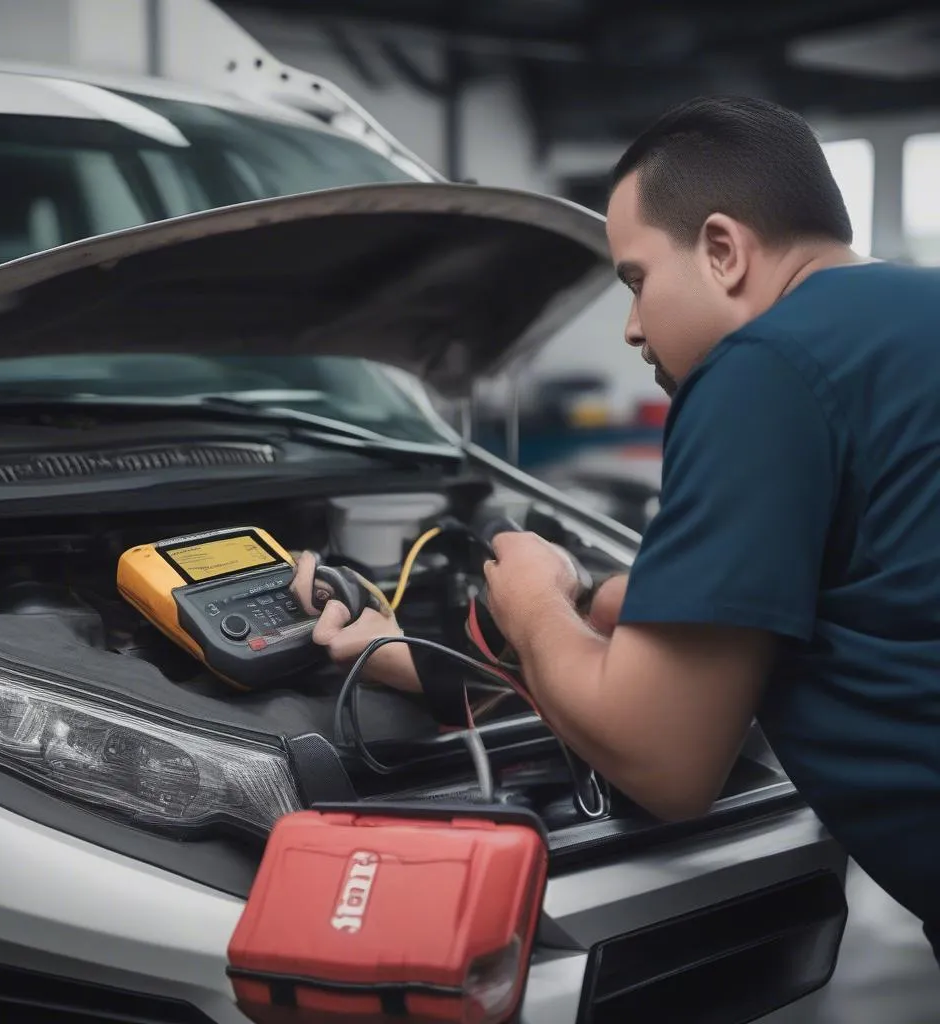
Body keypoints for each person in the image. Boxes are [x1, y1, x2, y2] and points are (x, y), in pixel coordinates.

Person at [291, 95, 940, 963]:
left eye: (636, 280)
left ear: (722, 249)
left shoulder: (762, 369)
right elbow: (835, 607)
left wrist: (532, 599)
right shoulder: (904, 320)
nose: (633, 327)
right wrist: (472, 647)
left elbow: (667, 762)